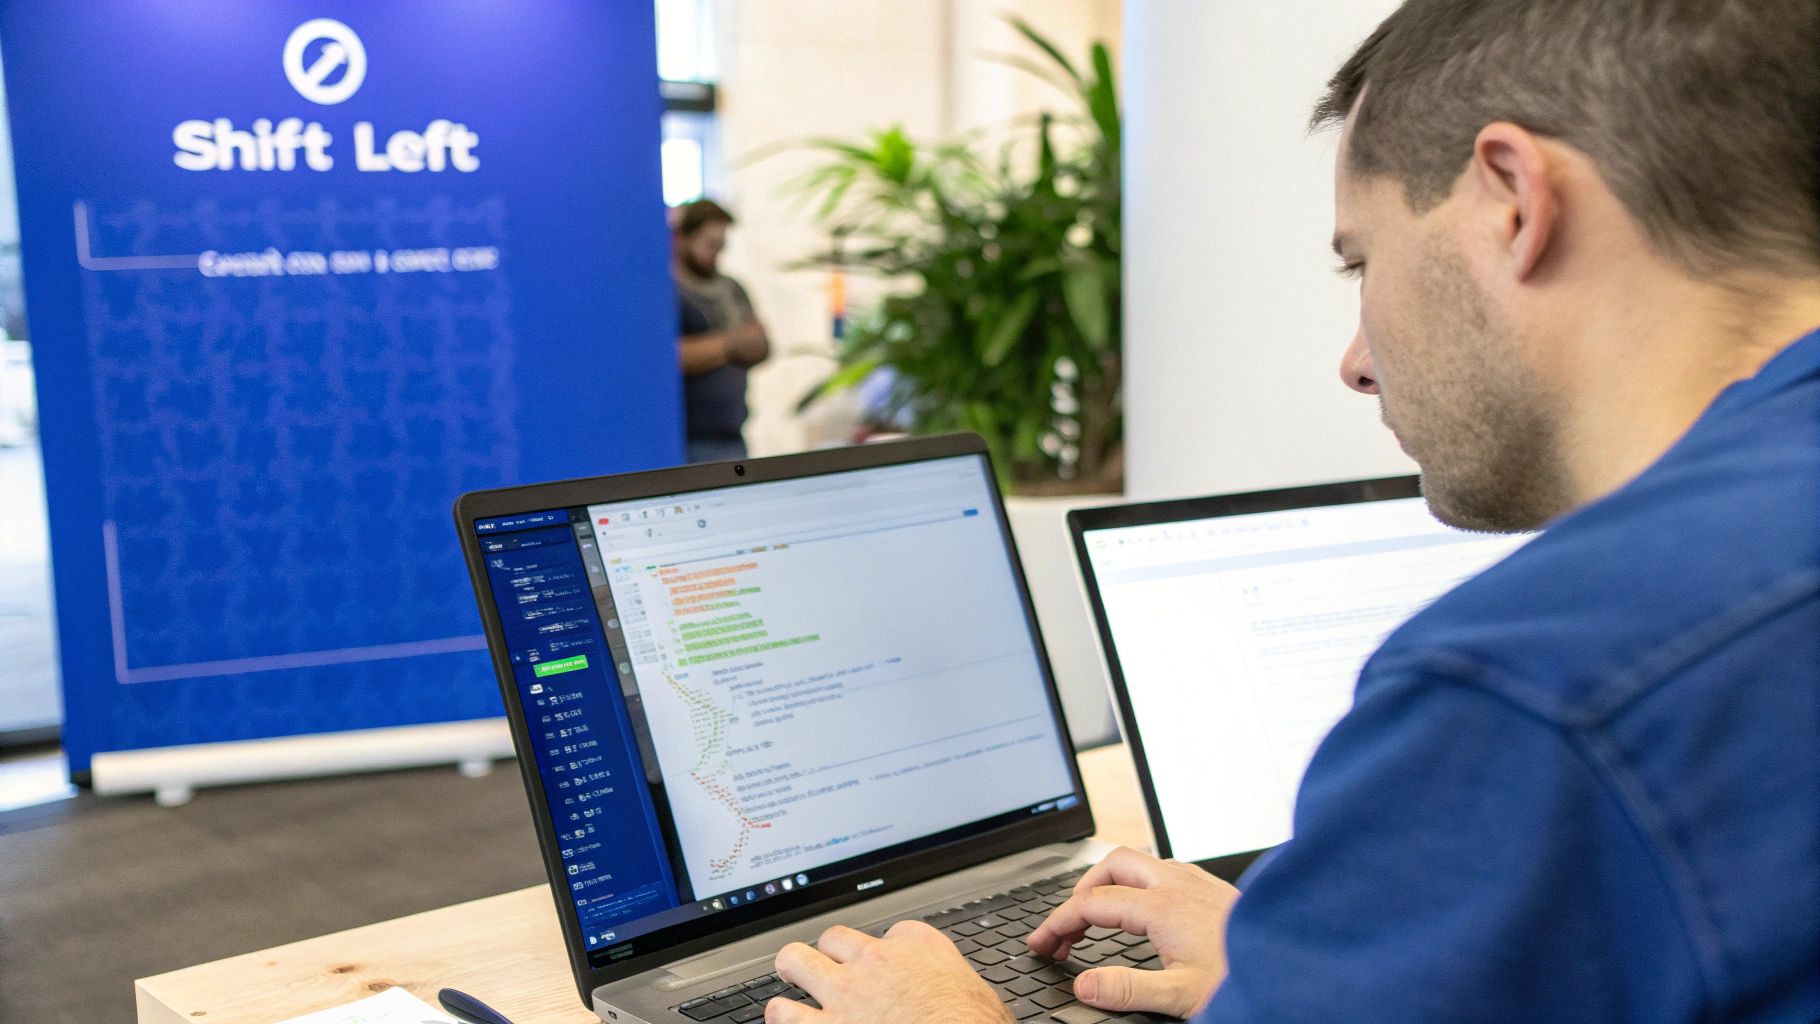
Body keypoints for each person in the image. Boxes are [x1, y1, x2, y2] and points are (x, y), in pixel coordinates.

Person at [760, 1, 1820, 1021]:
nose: (1356, 362)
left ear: (1510, 202)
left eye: (1362, 260)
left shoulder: (1525, 685)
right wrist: (1315, 973)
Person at [673, 198, 769, 463]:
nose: (716, 253)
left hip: (733, 435)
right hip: (690, 440)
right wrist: (731, 344)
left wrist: (711, 348)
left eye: (721, 245)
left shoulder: (732, 288)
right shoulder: (672, 293)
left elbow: (761, 344)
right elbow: (671, 357)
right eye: (709, 244)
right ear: (683, 238)